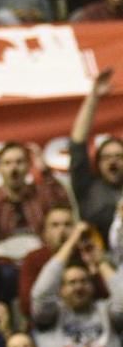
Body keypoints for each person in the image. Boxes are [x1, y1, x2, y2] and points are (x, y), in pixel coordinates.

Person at [31, 221, 123, 347]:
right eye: (71, 283)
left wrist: (100, 262)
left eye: (84, 281)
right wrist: (71, 243)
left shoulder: (105, 309)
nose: (78, 287)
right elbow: (40, 294)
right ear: (61, 289)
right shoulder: (52, 314)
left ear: (93, 286)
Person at [69, 68, 120, 241]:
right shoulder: (88, 188)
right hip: (99, 260)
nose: (113, 161)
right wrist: (93, 97)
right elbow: (77, 143)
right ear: (97, 163)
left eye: (119, 156)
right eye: (107, 157)